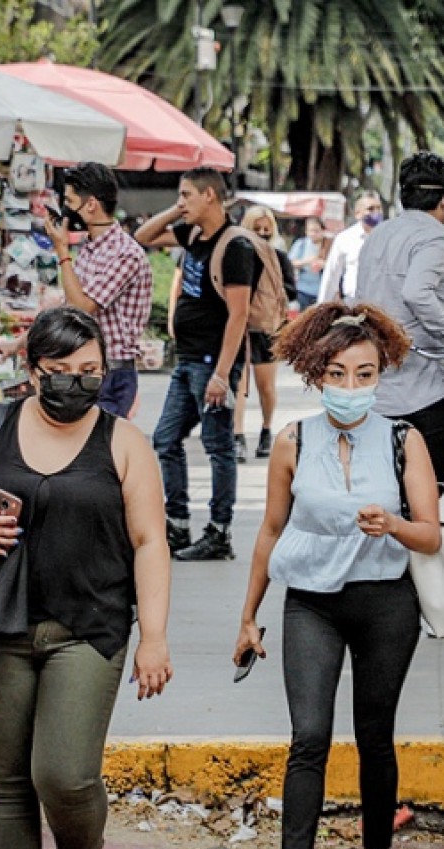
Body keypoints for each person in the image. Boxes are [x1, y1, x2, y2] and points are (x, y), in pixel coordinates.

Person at [0, 307, 174, 849]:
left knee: (64, 775)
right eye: (60, 370)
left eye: (90, 371)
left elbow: (149, 541)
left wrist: (154, 637)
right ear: (31, 370)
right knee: (5, 784)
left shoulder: (124, 441)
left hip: (88, 630)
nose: (76, 383)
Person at [233, 303, 442, 849]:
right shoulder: (292, 440)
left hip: (386, 605)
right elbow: (270, 533)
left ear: (381, 376)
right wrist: (248, 617)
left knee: (375, 734)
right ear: (316, 374)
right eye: (337, 374)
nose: (351, 387)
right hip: (311, 605)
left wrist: (394, 525)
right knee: (310, 736)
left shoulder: (405, 440)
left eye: (365, 374)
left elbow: (429, 534)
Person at [136, 168, 263, 561]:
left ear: (210, 196)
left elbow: (238, 316)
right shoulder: (192, 235)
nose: (182, 202)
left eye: (187, 195)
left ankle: (219, 532)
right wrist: (176, 211)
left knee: (217, 446)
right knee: (165, 439)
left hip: (213, 364)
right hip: (189, 360)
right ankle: (177, 524)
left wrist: (222, 375)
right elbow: (141, 238)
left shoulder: (236, 247)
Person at [353, 150, 444, 486]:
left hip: (375, 394)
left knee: (382, 499)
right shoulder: (433, 237)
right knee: (427, 503)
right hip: (422, 396)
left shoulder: (377, 235)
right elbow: (416, 293)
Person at [0, 162, 153, 420]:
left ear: (90, 205)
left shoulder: (126, 254)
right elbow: (68, 310)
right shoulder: (91, 249)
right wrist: (19, 344)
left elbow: (83, 307)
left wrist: (62, 251)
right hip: (84, 370)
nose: (65, 210)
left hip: (109, 375)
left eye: (69, 201)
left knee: (94, 452)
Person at [234, 205, 296, 462]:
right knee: (237, 385)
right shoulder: (235, 254)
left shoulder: (278, 257)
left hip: (267, 328)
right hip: (238, 326)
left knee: (265, 387)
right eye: (255, 229)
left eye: (266, 231)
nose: (260, 234)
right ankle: (237, 436)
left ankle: (266, 430)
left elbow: (292, 290)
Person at [316, 192, 383, 305]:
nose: (376, 212)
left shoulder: (388, 238)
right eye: (370, 209)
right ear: (358, 214)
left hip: (380, 304)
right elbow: (332, 274)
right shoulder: (345, 238)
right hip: (353, 302)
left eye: (379, 208)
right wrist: (322, 305)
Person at [289, 217, 327, 311]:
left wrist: (324, 264)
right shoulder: (301, 244)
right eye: (311, 231)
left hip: (321, 291)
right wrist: (306, 261)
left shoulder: (328, 245)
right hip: (302, 290)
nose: (313, 234)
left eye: (316, 231)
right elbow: (290, 262)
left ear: (323, 231)